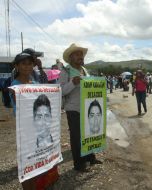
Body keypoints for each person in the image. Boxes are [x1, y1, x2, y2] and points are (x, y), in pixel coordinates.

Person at [10, 52, 58, 190]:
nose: (27, 66)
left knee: (39, 158)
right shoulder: (15, 85)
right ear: (17, 66)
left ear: (33, 65)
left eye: (30, 63)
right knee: (27, 161)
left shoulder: (36, 83)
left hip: (38, 128)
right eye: (23, 63)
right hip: (25, 130)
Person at [59, 43, 101, 172]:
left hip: (87, 108)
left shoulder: (85, 70)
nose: (80, 56)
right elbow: (60, 91)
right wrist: (73, 82)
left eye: (81, 54)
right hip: (73, 109)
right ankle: (78, 164)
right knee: (76, 137)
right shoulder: (65, 71)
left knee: (88, 134)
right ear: (70, 57)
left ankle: (91, 158)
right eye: (77, 54)